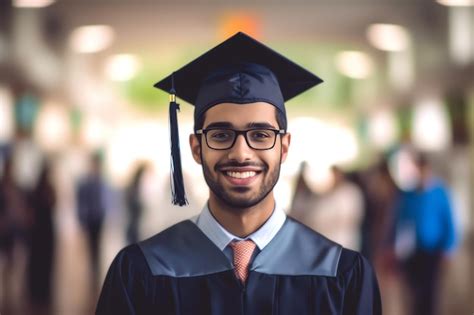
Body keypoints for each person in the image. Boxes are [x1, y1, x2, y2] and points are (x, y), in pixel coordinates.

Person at [96, 32, 381, 315]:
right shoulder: (141, 270)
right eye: (221, 135)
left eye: (260, 134)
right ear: (196, 148)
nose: (241, 153)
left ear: (284, 147)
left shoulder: (342, 274)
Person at [393, 153, 457, 315]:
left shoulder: (439, 193)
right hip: (412, 251)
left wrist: (448, 249)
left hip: (432, 251)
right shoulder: (408, 196)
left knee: (430, 293)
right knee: (414, 292)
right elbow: (401, 223)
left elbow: (449, 222)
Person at [76, 153, 109, 292]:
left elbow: (105, 199)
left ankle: (96, 266)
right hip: (91, 217)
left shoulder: (101, 181)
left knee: (97, 242)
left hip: (99, 216)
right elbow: (82, 201)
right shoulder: (87, 182)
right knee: (91, 243)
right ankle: (93, 265)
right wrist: (82, 217)